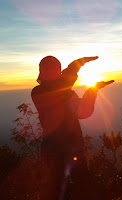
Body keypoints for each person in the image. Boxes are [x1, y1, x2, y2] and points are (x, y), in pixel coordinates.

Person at [31, 56, 114, 200]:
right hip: (55, 152)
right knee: (54, 191)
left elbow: (83, 112)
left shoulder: (66, 93)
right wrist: (76, 65)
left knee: (81, 189)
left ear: (58, 71)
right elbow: (58, 89)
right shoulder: (38, 92)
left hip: (70, 149)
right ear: (41, 72)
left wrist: (92, 90)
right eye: (48, 69)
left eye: (54, 69)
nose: (51, 72)